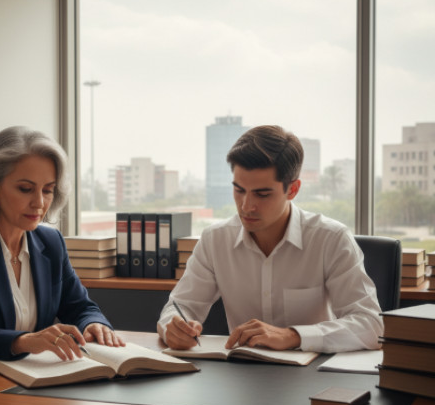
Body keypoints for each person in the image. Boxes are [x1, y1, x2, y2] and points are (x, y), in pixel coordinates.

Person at [158, 125, 383, 353]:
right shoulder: (214, 240)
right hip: (242, 375)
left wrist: (293, 335)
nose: (246, 206)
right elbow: (179, 307)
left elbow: (372, 325)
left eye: (262, 194)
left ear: (292, 189)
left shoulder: (331, 239)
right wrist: (174, 327)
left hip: (314, 378)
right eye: (239, 190)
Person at [0, 126, 122, 364]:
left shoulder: (51, 243)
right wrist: (21, 341)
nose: (39, 203)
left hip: (38, 379)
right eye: (26, 189)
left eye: (48, 190)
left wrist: (93, 323)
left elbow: (80, 306)